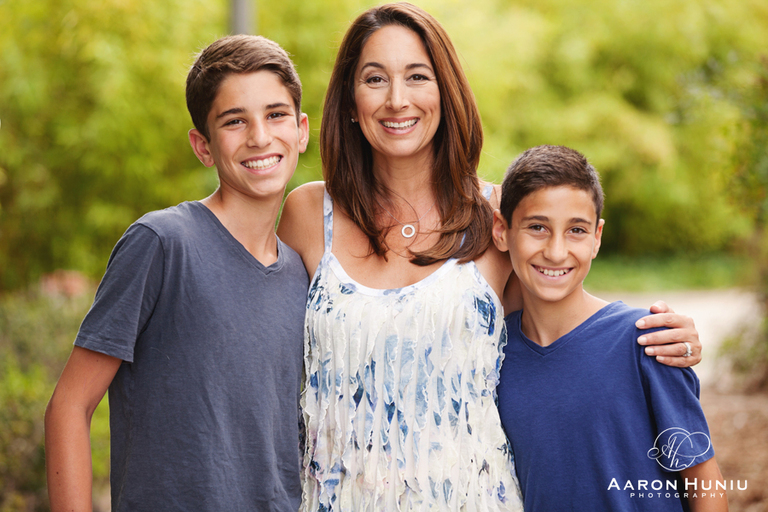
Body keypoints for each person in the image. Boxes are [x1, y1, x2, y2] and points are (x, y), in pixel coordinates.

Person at [278, 3, 703, 510]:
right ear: (349, 100)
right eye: (375, 79)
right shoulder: (308, 213)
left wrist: (653, 337)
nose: (397, 99)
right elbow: (263, 353)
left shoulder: (494, 215)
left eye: (417, 76)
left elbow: (564, 329)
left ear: (446, 92)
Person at [44, 35, 309, 511]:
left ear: (302, 130)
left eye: (275, 114)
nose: (260, 136)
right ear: (203, 146)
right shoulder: (163, 243)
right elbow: (69, 406)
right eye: (235, 121)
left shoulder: (303, 277)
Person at [493, 145, 727, 511]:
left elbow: (702, 482)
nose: (556, 251)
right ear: (501, 231)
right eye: (537, 227)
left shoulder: (647, 341)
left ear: (597, 237)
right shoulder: (494, 357)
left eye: (576, 230)